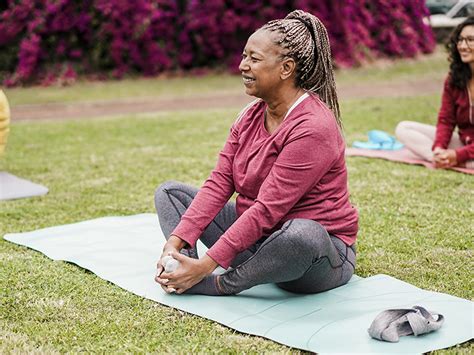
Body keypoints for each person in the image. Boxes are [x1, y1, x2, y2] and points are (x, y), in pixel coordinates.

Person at [154, 10, 358, 296]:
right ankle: (182, 267)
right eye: (244, 56)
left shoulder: (313, 126)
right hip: (258, 241)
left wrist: (209, 266)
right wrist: (176, 242)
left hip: (313, 259)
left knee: (302, 234)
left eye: (254, 58)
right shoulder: (249, 116)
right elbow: (219, 183)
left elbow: (267, 209)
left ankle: (218, 283)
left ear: (286, 68)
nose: (242, 66)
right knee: (170, 195)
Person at [395, 17, 474, 169]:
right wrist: (439, 148)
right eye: (460, 40)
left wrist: (458, 155)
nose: (463, 46)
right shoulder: (454, 79)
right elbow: (446, 120)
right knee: (404, 128)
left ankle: (456, 160)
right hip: (464, 142)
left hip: (466, 150)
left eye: (470, 40)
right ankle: (441, 159)